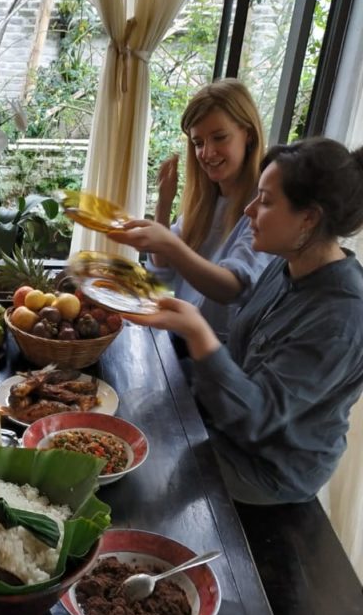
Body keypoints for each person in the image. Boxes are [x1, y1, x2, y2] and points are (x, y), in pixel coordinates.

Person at [121, 137, 363, 505]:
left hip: (267, 468)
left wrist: (197, 331)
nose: (249, 209)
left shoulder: (343, 316)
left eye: (265, 201)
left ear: (309, 218)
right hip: (228, 428)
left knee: (139, 474)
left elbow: (257, 418)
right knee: (130, 406)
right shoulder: (288, 264)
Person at [110, 78, 271, 344]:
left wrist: (170, 244)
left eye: (219, 137)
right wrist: (164, 203)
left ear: (249, 134)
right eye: (198, 143)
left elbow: (232, 288)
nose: (207, 153)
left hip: (220, 357)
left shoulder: (263, 208)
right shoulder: (206, 202)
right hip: (180, 346)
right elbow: (163, 276)